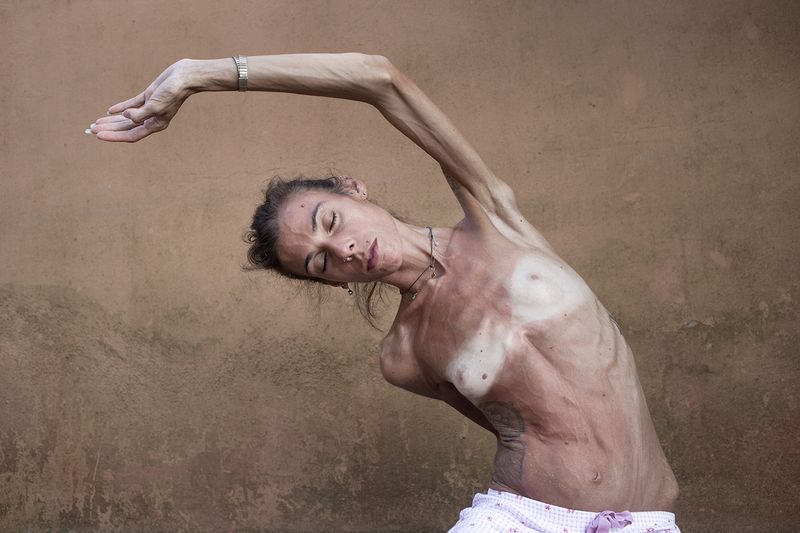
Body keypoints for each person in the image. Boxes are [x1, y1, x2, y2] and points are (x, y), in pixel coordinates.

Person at [87, 53, 681, 533]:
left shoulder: (494, 218)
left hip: (652, 520)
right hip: (525, 519)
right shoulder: (404, 356)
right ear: (332, 282)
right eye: (319, 263)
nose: (341, 250)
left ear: (354, 190)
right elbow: (521, 425)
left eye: (330, 220)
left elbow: (380, 79)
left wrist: (202, 74)